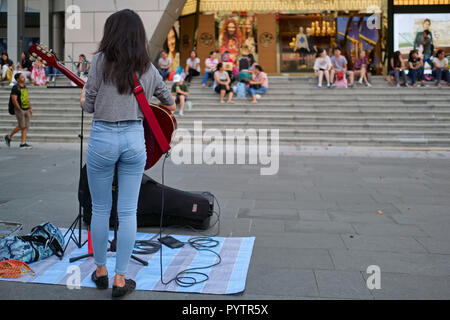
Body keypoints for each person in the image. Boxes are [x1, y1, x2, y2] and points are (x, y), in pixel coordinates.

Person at [80, 9, 175, 299]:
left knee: (99, 209)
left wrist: (84, 97)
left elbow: (90, 106)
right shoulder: (147, 67)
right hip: (134, 140)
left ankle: (100, 272)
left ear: (111, 32)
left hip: (103, 138)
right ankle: (121, 279)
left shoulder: (99, 61)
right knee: (128, 211)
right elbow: (168, 100)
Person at [4, 73, 33, 149]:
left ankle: (23, 143)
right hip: (19, 109)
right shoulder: (15, 87)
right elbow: (14, 99)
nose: (23, 78)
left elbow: (27, 97)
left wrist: (30, 108)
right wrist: (19, 108)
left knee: (25, 126)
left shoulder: (25, 87)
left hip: (26, 108)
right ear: (17, 79)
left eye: (23, 77)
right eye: (22, 77)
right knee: (21, 126)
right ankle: (9, 136)